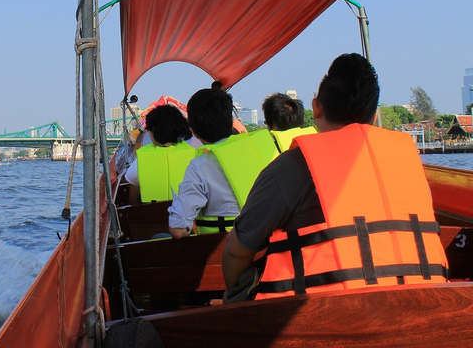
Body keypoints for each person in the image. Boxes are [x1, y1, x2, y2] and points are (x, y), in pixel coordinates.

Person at [222, 53, 448, 301]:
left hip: (321, 318)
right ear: (373, 116)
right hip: (422, 304)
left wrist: (234, 294)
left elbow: (236, 253)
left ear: (316, 107)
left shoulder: (290, 168)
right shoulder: (410, 164)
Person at [168, 83, 239, 239]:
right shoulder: (262, 152)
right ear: (230, 120)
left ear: (193, 131)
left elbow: (178, 231)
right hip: (266, 246)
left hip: (223, 251)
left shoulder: (199, 166)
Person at [123, 104, 200, 204]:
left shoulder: (139, 162)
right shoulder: (194, 157)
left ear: (153, 132)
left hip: (153, 216)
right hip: (188, 216)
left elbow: (133, 202)